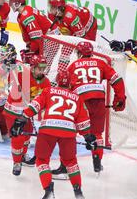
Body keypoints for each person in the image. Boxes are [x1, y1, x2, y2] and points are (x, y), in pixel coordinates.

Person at [11, 70, 97, 199]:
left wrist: (22, 119)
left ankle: (48, 194)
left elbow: (35, 106)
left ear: (57, 80)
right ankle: (78, 190)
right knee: (70, 161)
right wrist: (88, 137)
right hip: (69, 132)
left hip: (48, 129)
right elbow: (83, 122)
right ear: (71, 83)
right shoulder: (77, 98)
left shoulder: (48, 90)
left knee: (42, 160)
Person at [52, 41, 125, 176]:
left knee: (69, 133)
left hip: (81, 102)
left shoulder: (73, 66)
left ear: (79, 53)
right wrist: (120, 98)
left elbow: (65, 86)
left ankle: (65, 166)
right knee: (97, 134)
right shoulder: (101, 63)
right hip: (99, 100)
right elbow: (117, 79)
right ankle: (97, 163)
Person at [2, 54, 51, 176]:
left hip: (27, 113)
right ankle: (16, 162)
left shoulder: (46, 83)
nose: (42, 71)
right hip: (13, 111)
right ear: (33, 67)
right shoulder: (22, 73)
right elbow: (12, 68)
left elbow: (45, 100)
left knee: (27, 137)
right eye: (39, 68)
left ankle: (22, 156)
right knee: (18, 138)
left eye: (43, 68)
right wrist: (9, 64)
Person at [46, 0, 98, 72]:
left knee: (87, 50)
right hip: (73, 26)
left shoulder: (71, 16)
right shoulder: (52, 14)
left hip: (89, 25)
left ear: (59, 9)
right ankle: (60, 72)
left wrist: (77, 47)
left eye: (53, 7)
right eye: (50, 6)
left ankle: (88, 69)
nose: (50, 9)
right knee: (63, 48)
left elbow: (81, 35)